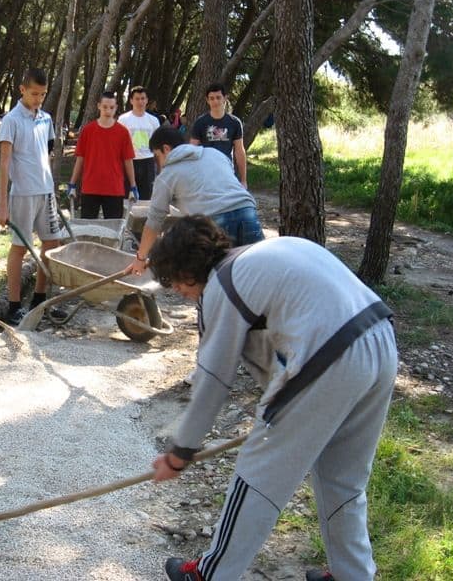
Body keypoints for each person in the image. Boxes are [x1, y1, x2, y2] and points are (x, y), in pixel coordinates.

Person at [148, 215, 397, 581]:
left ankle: (208, 574)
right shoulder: (259, 257)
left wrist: (181, 452)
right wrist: (284, 415)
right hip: (380, 341)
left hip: (329, 358)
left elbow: (213, 378)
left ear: (186, 273)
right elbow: (272, 355)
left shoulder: (222, 285)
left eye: (176, 286)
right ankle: (353, 576)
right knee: (343, 481)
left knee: (255, 475)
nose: (181, 294)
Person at [128, 126, 263, 278]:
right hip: (248, 212)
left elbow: (154, 222)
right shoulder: (215, 154)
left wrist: (141, 258)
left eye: (156, 156)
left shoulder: (167, 175)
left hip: (217, 221)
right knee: (256, 274)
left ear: (166, 149)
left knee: (220, 283)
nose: (157, 163)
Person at [0, 67, 64, 326]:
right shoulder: (11, 120)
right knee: (20, 247)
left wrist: (51, 186)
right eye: (34, 93)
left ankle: (39, 300)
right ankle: (13, 305)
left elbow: (46, 154)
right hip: (22, 192)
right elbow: (4, 163)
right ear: (22, 89)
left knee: (52, 245)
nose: (38, 99)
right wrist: (2, 205)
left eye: (43, 94)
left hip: (45, 192)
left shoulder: (45, 118)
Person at [68, 91, 137, 219]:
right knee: (88, 229)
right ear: (99, 106)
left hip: (114, 188)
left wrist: (133, 185)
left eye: (111, 107)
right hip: (90, 187)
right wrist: (72, 183)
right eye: (105, 107)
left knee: (113, 230)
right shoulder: (88, 130)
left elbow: (128, 160)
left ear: (116, 108)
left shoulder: (122, 132)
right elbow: (80, 158)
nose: (108, 110)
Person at [190, 82, 247, 188]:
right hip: (205, 173)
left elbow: (239, 151)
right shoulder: (200, 122)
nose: (215, 101)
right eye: (211, 98)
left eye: (218, 97)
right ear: (207, 100)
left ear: (225, 98)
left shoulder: (234, 122)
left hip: (227, 172)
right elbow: (192, 149)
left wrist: (243, 180)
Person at [118, 86, 160, 200]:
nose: (140, 102)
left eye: (143, 98)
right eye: (137, 99)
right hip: (129, 161)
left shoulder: (154, 120)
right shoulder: (123, 120)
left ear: (147, 100)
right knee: (127, 196)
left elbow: (158, 145)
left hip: (148, 162)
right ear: (131, 100)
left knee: (146, 197)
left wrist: (160, 167)